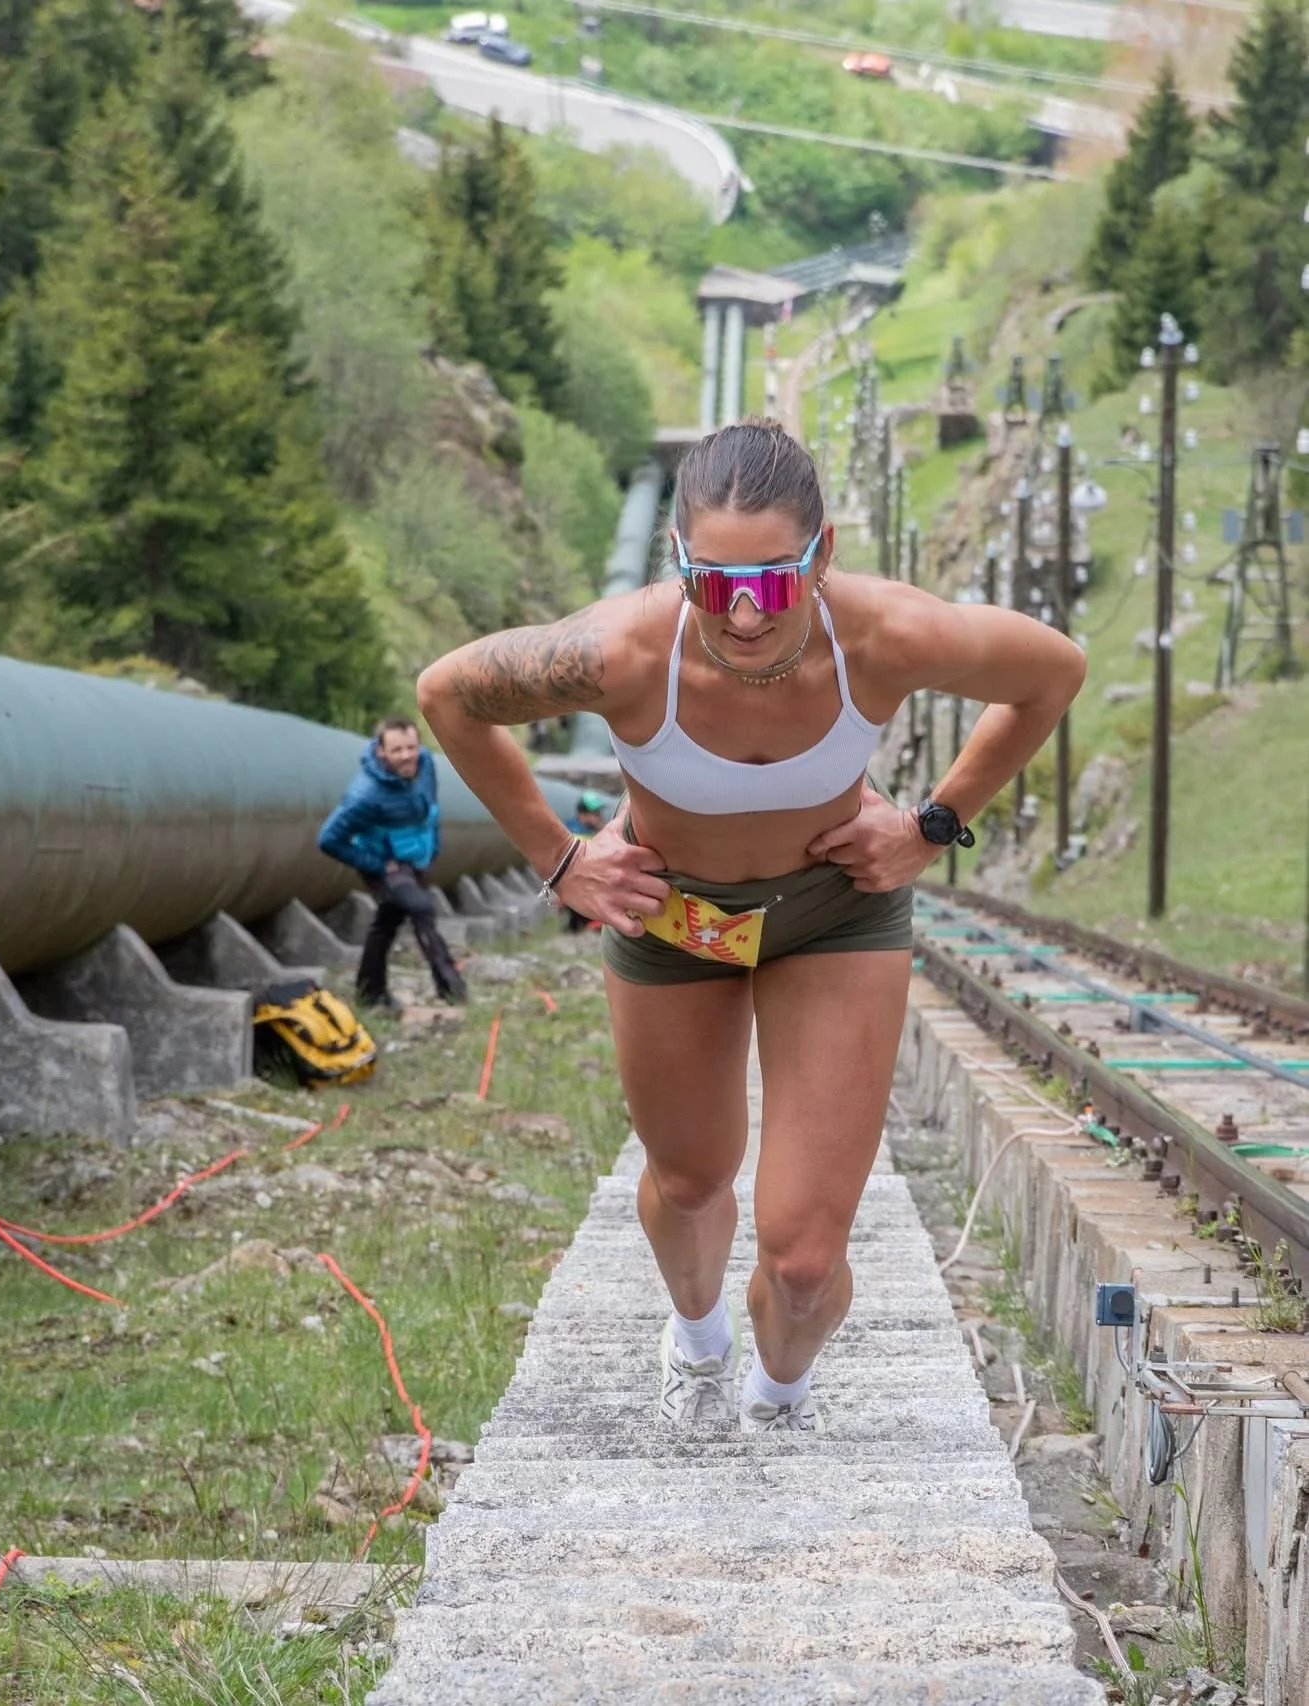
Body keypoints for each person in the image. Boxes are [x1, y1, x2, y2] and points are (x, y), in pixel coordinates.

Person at [416, 418, 1085, 1433]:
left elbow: (1053, 672)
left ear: (821, 556)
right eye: (709, 581)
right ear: (676, 559)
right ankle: (696, 1336)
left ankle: (779, 1392)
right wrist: (560, 858)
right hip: (672, 915)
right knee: (689, 1183)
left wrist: (931, 827)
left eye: (770, 583)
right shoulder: (621, 652)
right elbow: (448, 695)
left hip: (831, 914)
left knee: (805, 1261)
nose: (739, 613)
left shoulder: (886, 637)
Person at [318, 717, 467, 1011]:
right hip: (386, 864)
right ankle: (451, 987)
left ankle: (369, 993)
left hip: (414, 859)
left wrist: (432, 849)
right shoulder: (365, 795)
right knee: (421, 908)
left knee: (387, 921)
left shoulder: (425, 764)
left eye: (411, 747)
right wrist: (376, 865)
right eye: (397, 750)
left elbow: (430, 809)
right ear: (381, 752)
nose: (406, 756)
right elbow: (328, 839)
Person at [561, 790, 609, 934]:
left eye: (599, 813)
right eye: (596, 814)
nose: (600, 817)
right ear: (583, 815)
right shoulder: (577, 834)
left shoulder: (589, 830)